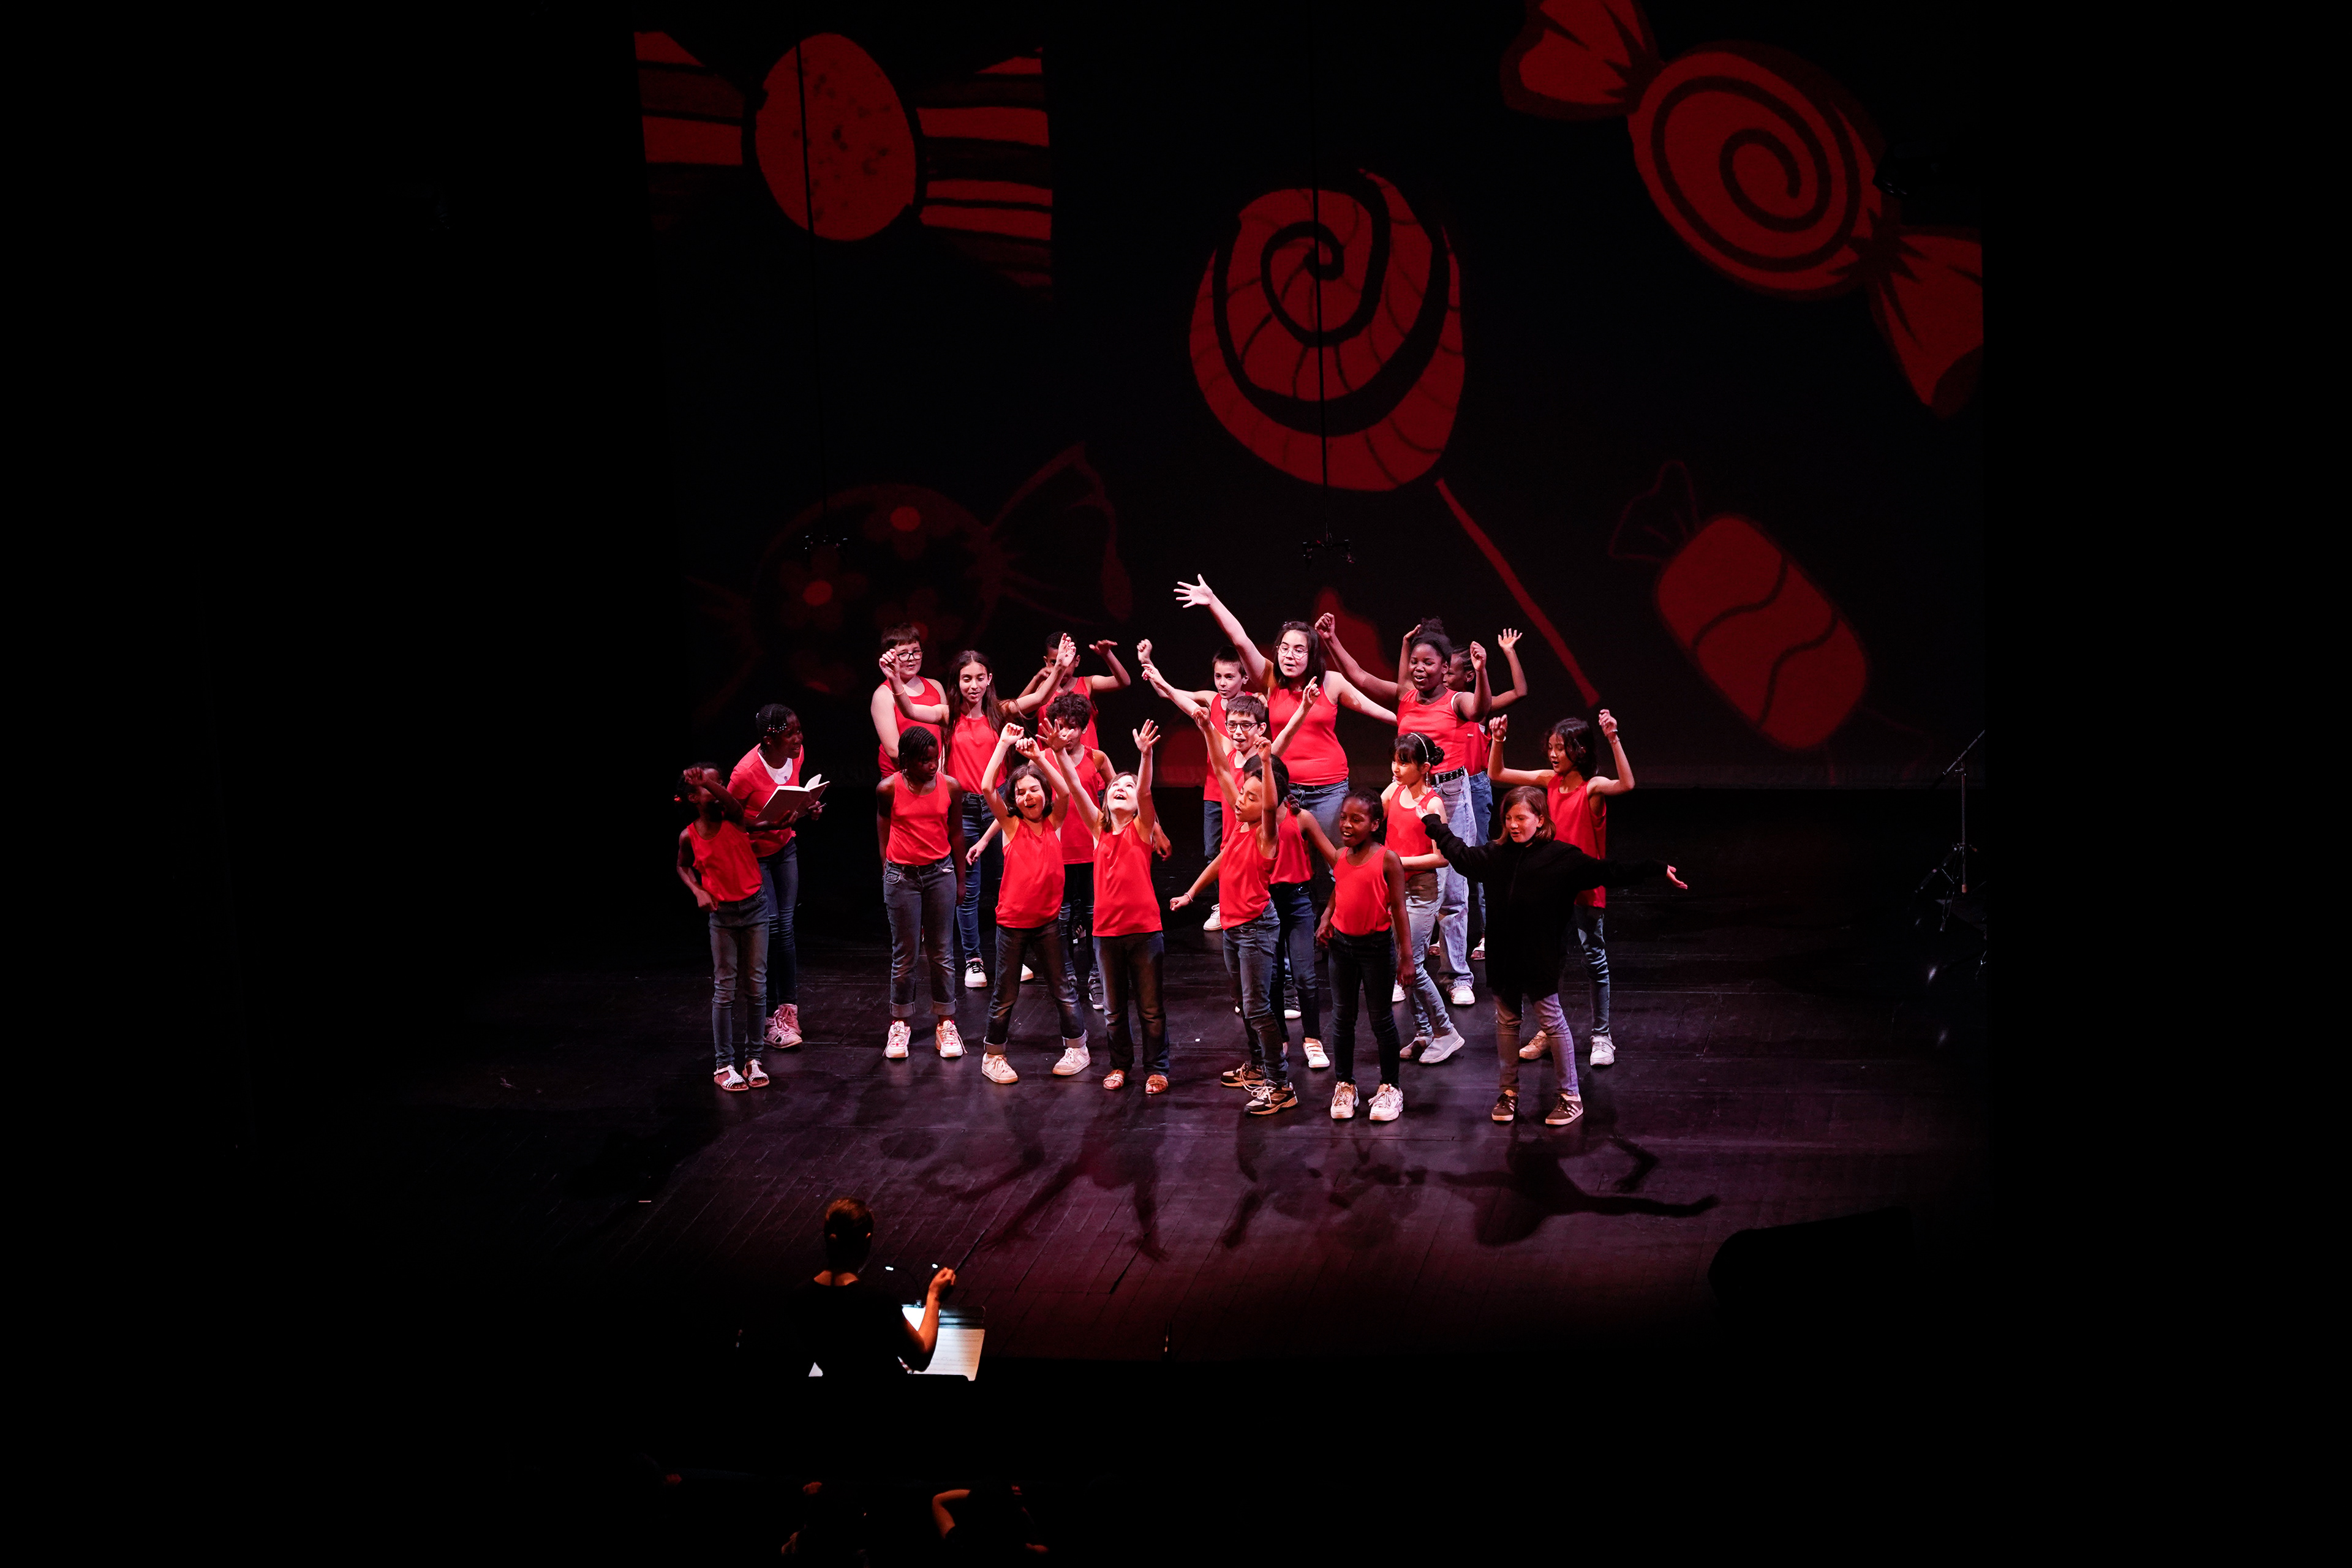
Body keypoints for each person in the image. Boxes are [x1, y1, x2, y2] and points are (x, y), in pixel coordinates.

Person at [1417, 788, 1686, 1125]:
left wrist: (1656, 868)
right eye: (1509, 818)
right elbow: (1460, 854)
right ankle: (1508, 1092)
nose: (1514, 825)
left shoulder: (1562, 858)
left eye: (1521, 818)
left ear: (1540, 820)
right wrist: (1434, 823)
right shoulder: (1496, 855)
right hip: (1504, 958)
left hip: (1540, 957)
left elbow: (1610, 871)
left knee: (1552, 1022)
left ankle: (1570, 1096)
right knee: (1507, 1022)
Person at [1174, 577, 1395, 911]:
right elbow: (1241, 640)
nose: (1290, 656)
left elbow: (1373, 708)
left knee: (1338, 863)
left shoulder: (1330, 682)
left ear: (1312, 653)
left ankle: (1347, 924)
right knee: (1289, 871)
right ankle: (1297, 930)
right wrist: (1213, 601)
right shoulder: (1270, 679)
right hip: (1285, 791)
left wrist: (1409, 721)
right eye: (1285, 648)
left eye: (1299, 650)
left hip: (1329, 790)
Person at [1320, 617, 1494, 1006]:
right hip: (1407, 790)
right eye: (1415, 662)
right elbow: (1359, 676)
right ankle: (1403, 967)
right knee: (1401, 882)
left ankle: (1457, 976)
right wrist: (1331, 640)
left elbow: (1480, 708)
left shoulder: (1455, 700)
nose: (1419, 669)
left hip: (1450, 793)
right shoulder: (1404, 696)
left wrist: (1481, 672)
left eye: (1428, 663)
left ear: (1445, 667)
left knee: (1453, 890)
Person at [884, 650, 1043, 990]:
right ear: (957, 682)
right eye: (966, 678)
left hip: (1000, 807)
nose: (974, 685)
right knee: (968, 891)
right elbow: (910, 710)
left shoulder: (1000, 711)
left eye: (980, 678)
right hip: (965, 809)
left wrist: (1059, 669)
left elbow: (1039, 697)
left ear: (989, 679)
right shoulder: (948, 715)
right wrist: (896, 680)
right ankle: (974, 960)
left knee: (1007, 886)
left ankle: (1010, 956)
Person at [1489, 709, 1637, 1067]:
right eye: (1551, 748)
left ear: (1580, 751)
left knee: (1594, 959)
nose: (1553, 755)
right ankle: (1547, 1029)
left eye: (1561, 748)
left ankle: (1602, 1035)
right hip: (1550, 888)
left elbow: (1627, 784)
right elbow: (1497, 774)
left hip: (1584, 887)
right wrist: (1498, 739)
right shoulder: (1549, 782)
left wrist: (1613, 738)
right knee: (1549, 962)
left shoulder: (1593, 787)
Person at [1169, 707, 1295, 1115]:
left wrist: (1268, 757)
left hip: (1256, 929)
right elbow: (1224, 771)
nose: (1241, 800)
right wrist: (1208, 730)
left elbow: (1270, 805)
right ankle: (1258, 1067)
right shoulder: (1242, 826)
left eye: (1251, 798)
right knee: (1244, 1003)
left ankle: (1281, 1084)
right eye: (1243, 794)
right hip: (1232, 926)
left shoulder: (1265, 835)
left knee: (1258, 1007)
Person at [1049, 721, 1170, 1092]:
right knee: (1114, 1012)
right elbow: (1074, 786)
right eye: (1116, 785)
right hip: (1106, 935)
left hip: (1145, 932)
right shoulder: (1098, 831)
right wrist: (1059, 752)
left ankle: (1157, 1068)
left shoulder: (1142, 829)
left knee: (1151, 1010)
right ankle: (1120, 1065)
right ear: (1105, 799)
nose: (1121, 788)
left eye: (1127, 787)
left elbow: (1146, 791)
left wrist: (1145, 756)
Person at [975, 724, 1089, 1083]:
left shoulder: (1055, 822)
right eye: (1020, 793)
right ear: (1014, 800)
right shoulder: (1011, 826)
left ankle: (1078, 1048)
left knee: (1063, 989)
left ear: (1044, 793)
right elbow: (986, 787)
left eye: (1034, 789)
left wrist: (1040, 757)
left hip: (1049, 924)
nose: (1028, 797)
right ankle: (993, 1056)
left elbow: (1066, 790)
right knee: (1005, 994)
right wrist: (1003, 745)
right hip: (1012, 926)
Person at [1297, 790, 1419, 1121]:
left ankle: (1390, 1087)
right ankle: (1345, 1084)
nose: (1347, 825)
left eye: (1356, 819)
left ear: (1375, 824)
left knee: (1381, 1020)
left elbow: (1399, 909)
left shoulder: (1388, 860)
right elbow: (1340, 890)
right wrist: (1326, 918)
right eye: (1343, 818)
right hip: (1342, 948)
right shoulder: (1340, 856)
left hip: (1376, 950)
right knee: (1342, 1018)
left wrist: (1406, 957)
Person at [1134, 636, 1247, 932]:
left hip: (1244, 787)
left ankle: (1245, 902)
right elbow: (1170, 695)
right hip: (1215, 789)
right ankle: (1224, 903)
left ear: (1244, 677)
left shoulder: (1253, 704)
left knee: (1244, 848)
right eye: (1218, 676)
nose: (1223, 683)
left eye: (1230, 677)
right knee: (1214, 851)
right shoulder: (1210, 700)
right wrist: (1149, 665)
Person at [729, 704, 824, 1049]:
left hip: (785, 849)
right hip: (755, 856)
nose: (799, 739)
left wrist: (808, 808)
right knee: (769, 928)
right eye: (791, 734)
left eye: (799, 731)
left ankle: (788, 1009)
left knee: (785, 927)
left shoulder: (796, 757)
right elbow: (730, 818)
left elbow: (792, 801)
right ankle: (768, 1017)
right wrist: (766, 824)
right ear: (770, 739)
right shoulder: (745, 773)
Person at [782, 1197, 958, 1381]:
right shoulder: (877, 1300)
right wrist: (934, 1297)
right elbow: (920, 1359)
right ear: (867, 1240)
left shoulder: (799, 1297)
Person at [874, 728, 968, 1060]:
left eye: (934, 759)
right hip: (903, 877)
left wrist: (961, 880)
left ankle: (946, 1022)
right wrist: (887, 867)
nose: (932, 766)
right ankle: (900, 1023)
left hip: (940, 873)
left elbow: (957, 833)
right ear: (907, 761)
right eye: (924, 761)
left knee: (942, 952)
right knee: (905, 954)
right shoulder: (888, 789)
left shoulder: (950, 786)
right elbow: (883, 826)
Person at [676, 764, 771, 1091]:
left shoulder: (734, 817)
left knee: (757, 987)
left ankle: (754, 1058)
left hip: (755, 907)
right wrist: (698, 891)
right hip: (723, 916)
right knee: (725, 989)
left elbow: (731, 802)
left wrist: (708, 782)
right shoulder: (689, 835)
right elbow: (682, 866)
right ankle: (724, 1064)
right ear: (693, 798)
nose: (719, 789)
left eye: (720, 783)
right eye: (708, 785)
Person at [1380, 735, 1469, 1064]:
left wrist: (1397, 862)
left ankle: (1447, 1032)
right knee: (1402, 965)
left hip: (1420, 891)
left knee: (1413, 965)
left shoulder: (1433, 804)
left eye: (1404, 762)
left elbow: (1441, 858)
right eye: (1395, 760)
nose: (1397, 768)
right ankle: (1423, 1032)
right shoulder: (1393, 792)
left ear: (1424, 767)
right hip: (1395, 889)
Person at [1449, 629, 1529, 960]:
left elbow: (1520, 691)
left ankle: (1486, 933)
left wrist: (1509, 652)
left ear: (1468, 676)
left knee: (1481, 859)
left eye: (1450, 671)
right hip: (1445, 787)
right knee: (1445, 860)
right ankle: (1446, 932)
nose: (1443, 675)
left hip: (1475, 786)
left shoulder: (1478, 708)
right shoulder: (1438, 706)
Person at [869, 623, 946, 774]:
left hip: (937, 772)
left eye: (916, 651)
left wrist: (940, 768)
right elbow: (894, 750)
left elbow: (946, 736)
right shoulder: (883, 694)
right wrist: (927, 769)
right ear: (890, 656)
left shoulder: (936, 686)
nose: (911, 659)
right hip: (903, 776)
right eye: (903, 653)